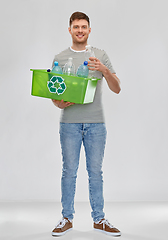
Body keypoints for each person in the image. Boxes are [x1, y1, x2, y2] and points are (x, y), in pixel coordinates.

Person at [51, 11, 121, 237]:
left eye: (84, 27)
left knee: (95, 173)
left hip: (96, 124)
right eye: (76, 27)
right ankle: (66, 219)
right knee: (69, 172)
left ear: (89, 30)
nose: (80, 30)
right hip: (69, 124)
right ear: (70, 30)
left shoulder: (99, 55)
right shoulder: (60, 57)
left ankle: (99, 219)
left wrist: (104, 70)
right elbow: (54, 94)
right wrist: (59, 104)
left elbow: (117, 87)